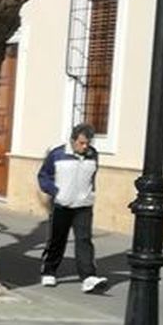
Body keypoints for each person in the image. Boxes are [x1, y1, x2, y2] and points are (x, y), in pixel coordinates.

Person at [38, 123, 107, 292]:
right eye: (81, 143)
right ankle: (49, 271)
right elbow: (43, 176)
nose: (85, 147)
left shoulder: (93, 155)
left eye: (88, 143)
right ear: (73, 140)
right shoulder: (57, 154)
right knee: (57, 239)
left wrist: (90, 194)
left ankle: (88, 277)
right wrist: (55, 192)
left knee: (84, 240)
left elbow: (92, 177)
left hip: (83, 205)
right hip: (62, 204)